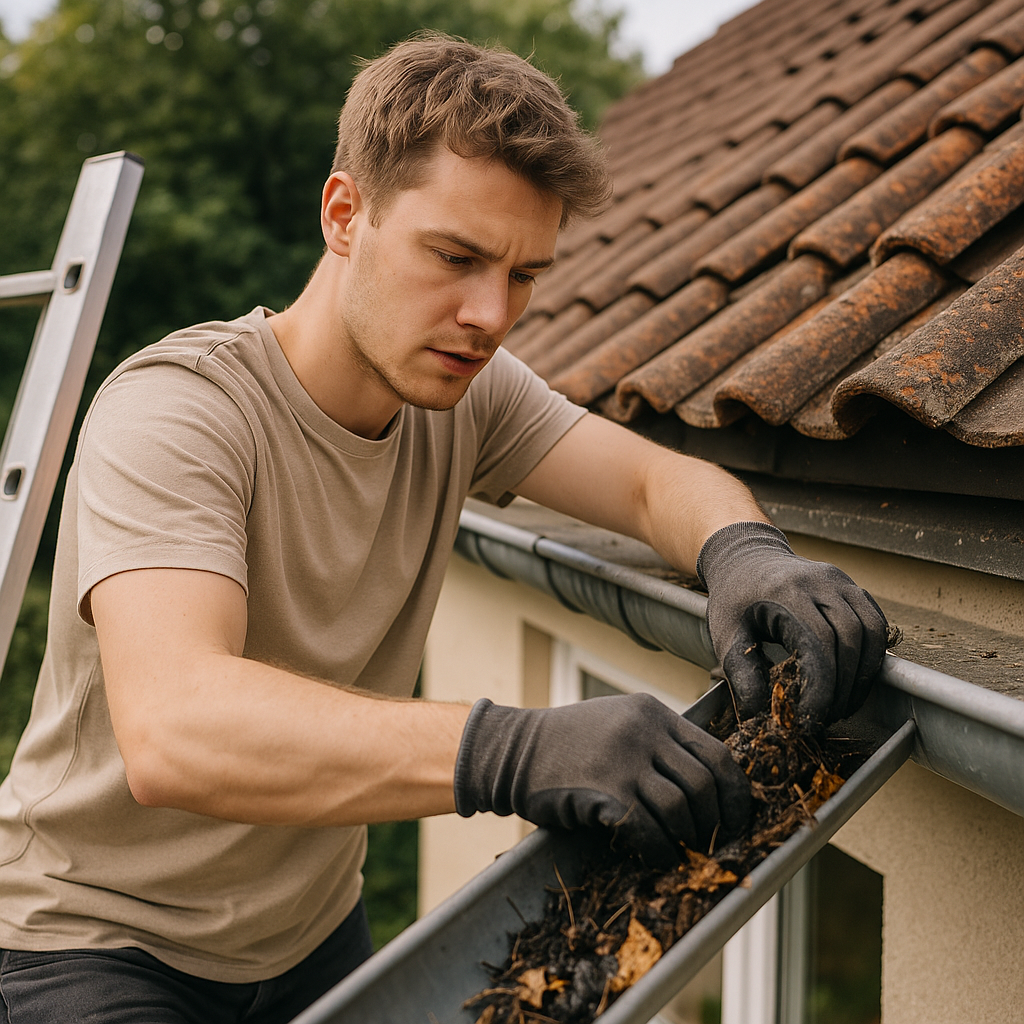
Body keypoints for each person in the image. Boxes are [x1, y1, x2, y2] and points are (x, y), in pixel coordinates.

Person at [0, 34, 888, 1024]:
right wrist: (517, 750)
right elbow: (177, 728)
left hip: (307, 938)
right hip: (92, 946)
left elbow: (652, 485)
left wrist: (743, 552)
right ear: (345, 214)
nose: (488, 314)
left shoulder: (463, 391)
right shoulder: (177, 411)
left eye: (523, 275)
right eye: (455, 256)